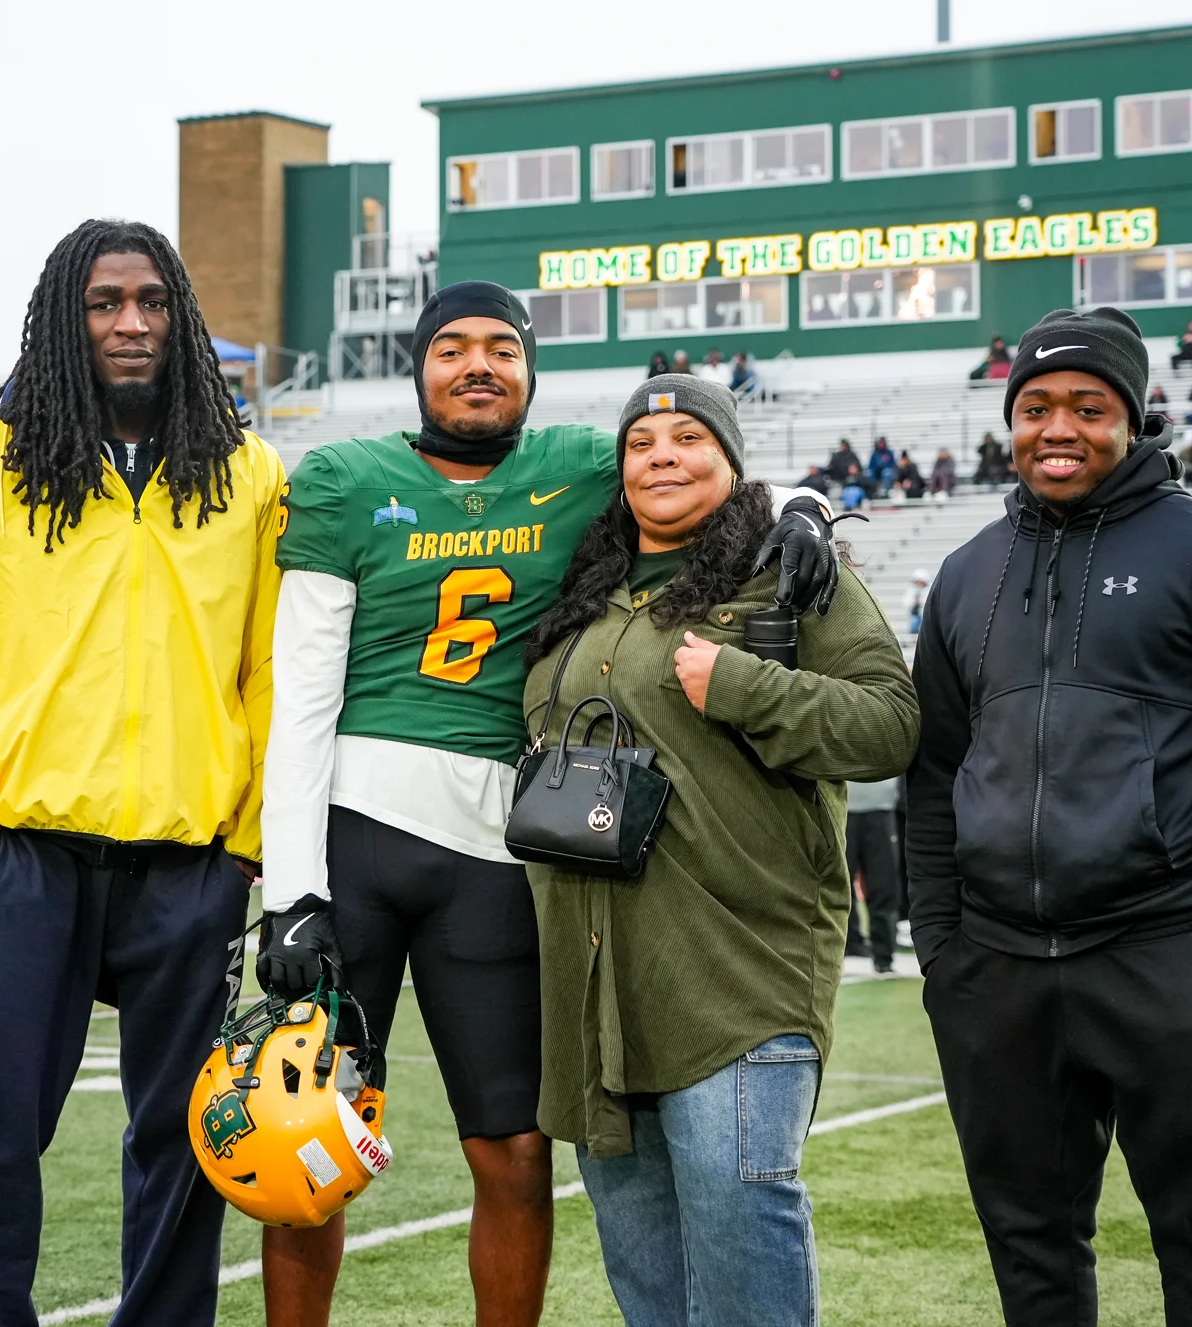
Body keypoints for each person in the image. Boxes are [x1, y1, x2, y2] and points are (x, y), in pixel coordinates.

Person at [257, 288, 838, 1327]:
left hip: (500, 844)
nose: (476, 365)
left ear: (530, 371)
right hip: (357, 832)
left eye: (500, 349)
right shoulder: (345, 479)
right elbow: (300, 698)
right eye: (451, 348)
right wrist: (292, 887)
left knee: (517, 1148)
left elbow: (708, 480)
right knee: (308, 1139)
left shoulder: (577, 466)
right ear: (418, 367)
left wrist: (804, 503)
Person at [0, 219, 287, 1326]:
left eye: (152, 301)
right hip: (28, 857)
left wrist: (244, 845)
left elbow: (268, 668)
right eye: (106, 302)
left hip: (189, 864)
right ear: (69, 316)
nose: (131, 323)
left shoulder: (246, 476)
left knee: (185, 1137)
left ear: (182, 317)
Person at [909, 305, 1192, 1326]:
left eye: (1089, 407)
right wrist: (942, 945)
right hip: (997, 967)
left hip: (1165, 951)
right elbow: (932, 771)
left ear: (1130, 419)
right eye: (1036, 406)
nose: (1059, 427)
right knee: (1032, 1249)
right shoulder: (967, 572)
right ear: (1011, 420)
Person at [519, 374, 918, 1327]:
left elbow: (891, 725)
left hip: (737, 974)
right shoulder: (589, 596)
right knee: (647, 1282)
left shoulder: (790, 573)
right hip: (596, 988)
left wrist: (741, 684)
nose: (663, 455)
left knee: (742, 1251)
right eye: (641, 444)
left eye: (690, 437)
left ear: (734, 461)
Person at [846, 778, 906, 974]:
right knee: (836, 886)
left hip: (881, 806)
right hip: (841, 806)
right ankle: (845, 946)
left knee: (884, 884)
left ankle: (884, 957)